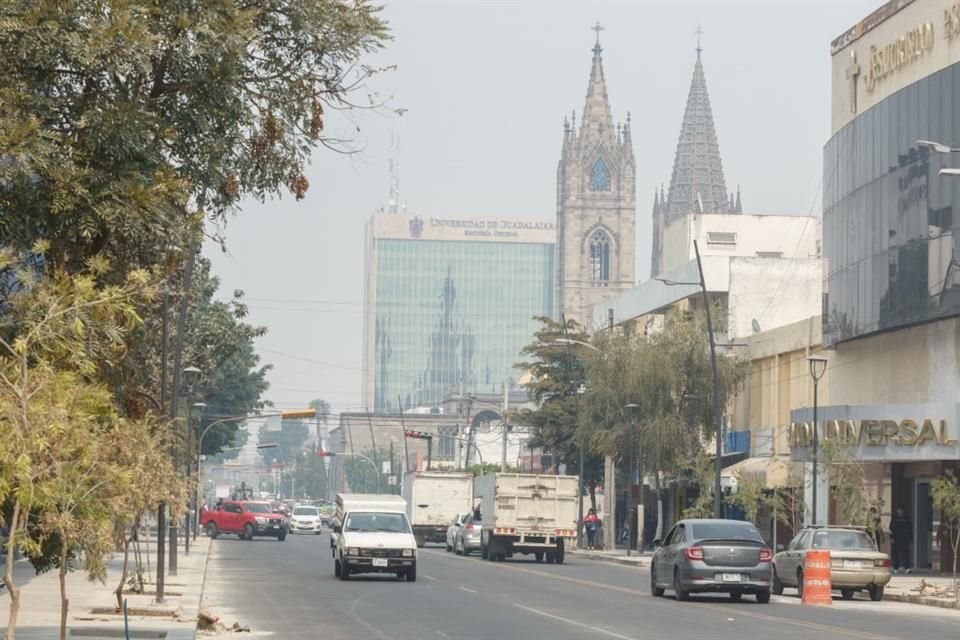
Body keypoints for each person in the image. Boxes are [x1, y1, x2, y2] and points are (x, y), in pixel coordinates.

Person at [890, 505, 913, 574]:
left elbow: (910, 529)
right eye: (899, 510)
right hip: (896, 539)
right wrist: (891, 538)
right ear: (897, 511)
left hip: (905, 539)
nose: (900, 511)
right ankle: (895, 568)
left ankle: (907, 568)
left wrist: (911, 539)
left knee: (906, 554)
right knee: (896, 554)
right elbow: (891, 528)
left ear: (903, 511)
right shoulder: (894, 518)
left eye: (901, 510)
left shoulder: (906, 518)